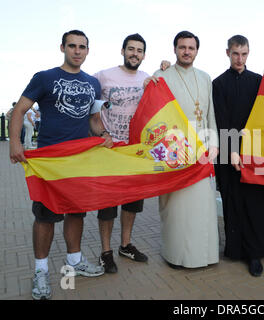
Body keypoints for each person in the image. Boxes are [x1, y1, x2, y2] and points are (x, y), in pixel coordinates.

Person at [9, 30, 113, 300]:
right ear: (62, 48)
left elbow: (92, 120)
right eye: (72, 46)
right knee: (45, 216)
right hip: (49, 161)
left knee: (76, 212)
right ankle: (41, 271)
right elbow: (19, 110)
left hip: (79, 160)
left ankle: (75, 261)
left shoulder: (93, 83)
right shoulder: (44, 77)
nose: (77, 51)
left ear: (88, 50)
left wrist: (103, 135)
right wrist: (14, 143)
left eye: (82, 47)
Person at [212, 35, 264, 276]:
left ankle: (256, 253)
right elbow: (221, 120)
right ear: (227, 53)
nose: (240, 58)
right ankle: (238, 251)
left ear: (248, 53)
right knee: (233, 203)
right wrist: (232, 152)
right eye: (236, 53)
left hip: (255, 151)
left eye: (244, 54)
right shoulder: (218, 83)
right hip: (228, 153)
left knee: (256, 202)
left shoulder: (258, 81)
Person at [148, 31, 219, 269]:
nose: (186, 51)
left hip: (202, 150)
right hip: (174, 149)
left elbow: (210, 115)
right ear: (174, 49)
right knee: (176, 207)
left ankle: (204, 256)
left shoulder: (206, 77)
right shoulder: (162, 75)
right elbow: (153, 113)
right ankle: (176, 255)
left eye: (191, 47)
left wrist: (214, 143)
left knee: (202, 205)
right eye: (182, 47)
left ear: (197, 50)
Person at [93, 33, 150, 273]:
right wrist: (101, 134)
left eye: (139, 50)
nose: (134, 53)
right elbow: (92, 111)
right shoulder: (102, 76)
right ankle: (106, 252)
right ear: (122, 50)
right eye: (131, 49)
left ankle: (125, 245)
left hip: (135, 152)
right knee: (107, 205)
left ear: (143, 55)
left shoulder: (147, 78)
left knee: (132, 203)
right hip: (109, 150)